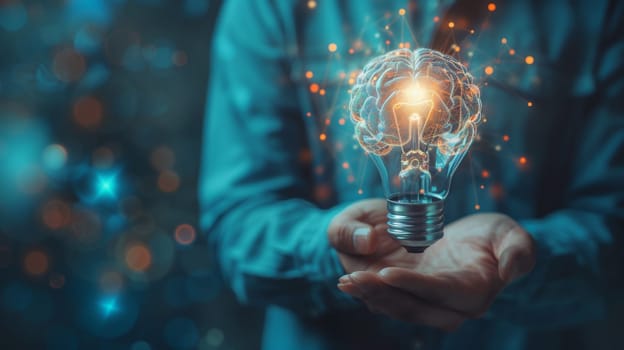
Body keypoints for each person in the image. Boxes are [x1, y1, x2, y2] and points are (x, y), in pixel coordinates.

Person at [200, 0, 624, 349]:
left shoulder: (596, 12)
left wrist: (523, 259)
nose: (415, 157)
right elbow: (238, 220)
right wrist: (333, 247)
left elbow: (613, 223)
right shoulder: (270, 8)